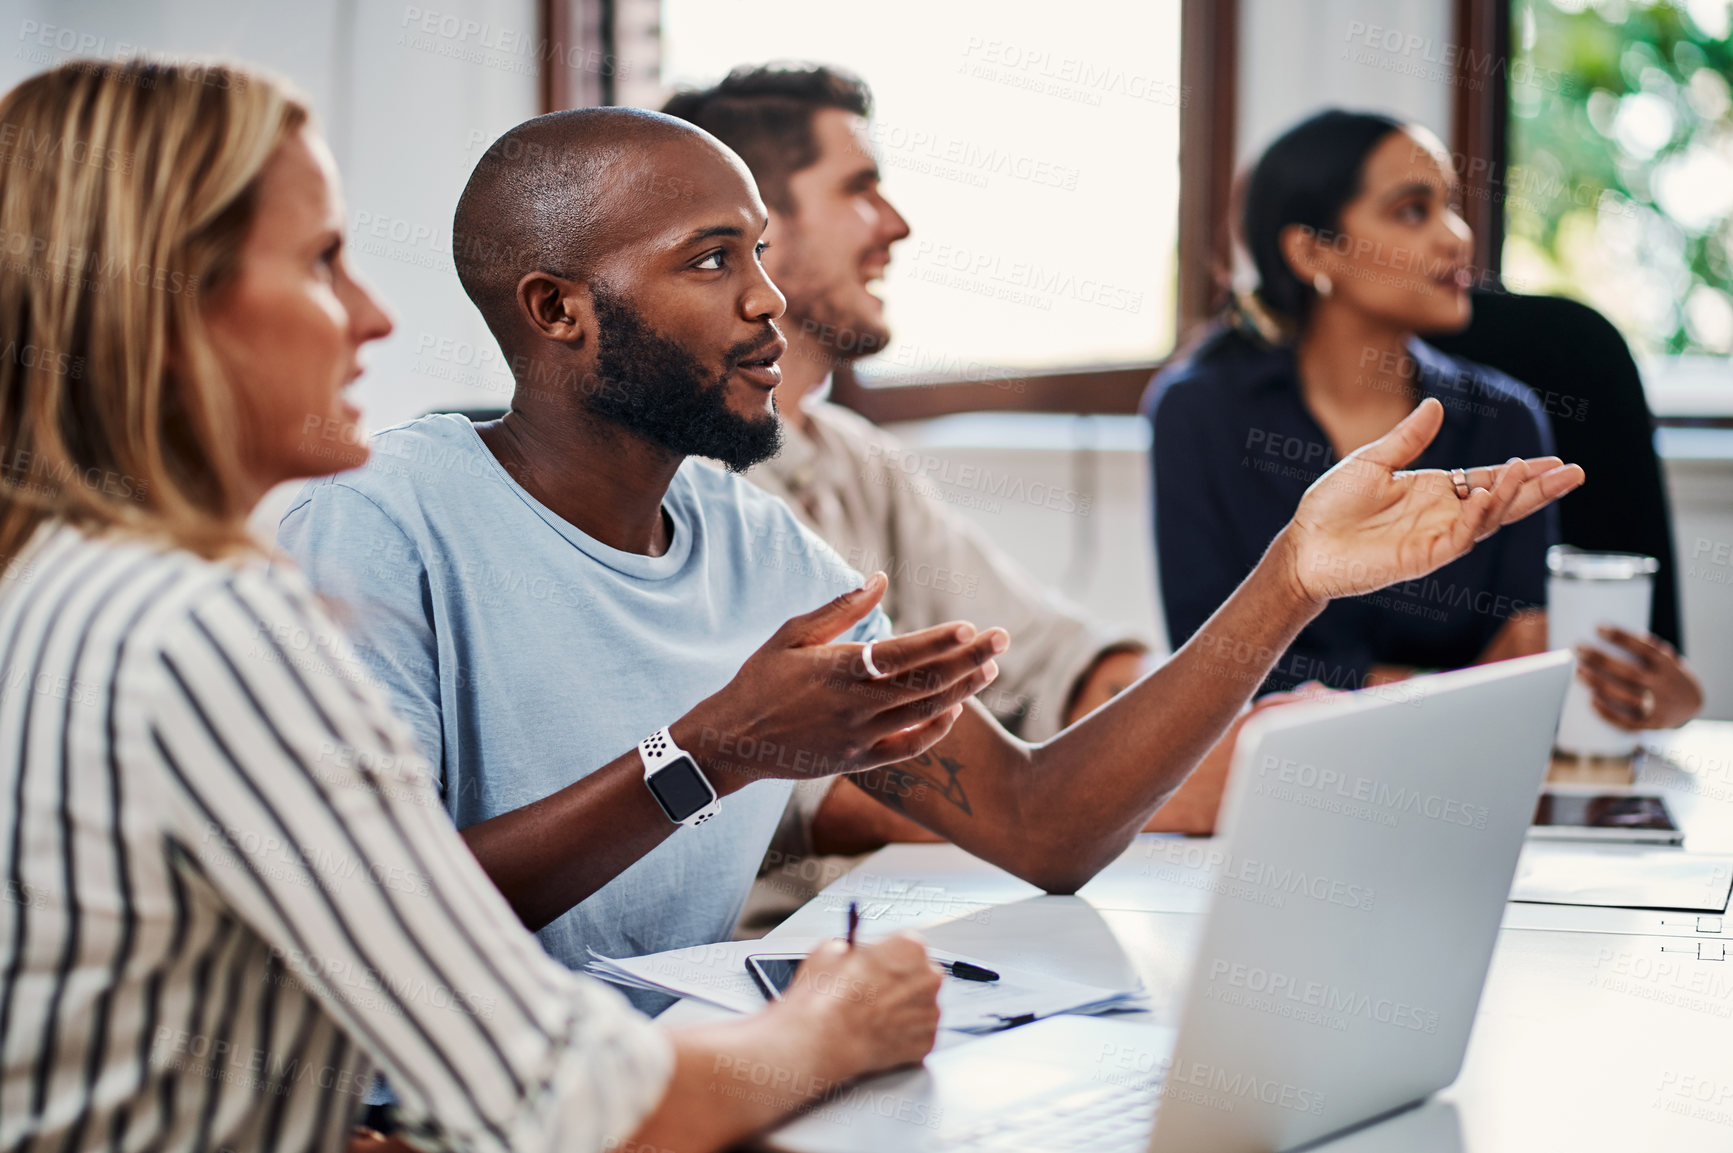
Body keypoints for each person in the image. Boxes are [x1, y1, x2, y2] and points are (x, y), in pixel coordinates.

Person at [277, 101, 1581, 1018]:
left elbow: (1043, 826)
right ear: (558, 310)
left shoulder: (753, 541)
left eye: (764, 256)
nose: (768, 302)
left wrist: (1293, 578)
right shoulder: (385, 519)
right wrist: (714, 754)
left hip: (667, 1078)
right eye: (712, 261)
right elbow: (376, 914)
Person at [0, 58, 945, 1153]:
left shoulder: (58, 584)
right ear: (167, 312)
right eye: (321, 264)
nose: (372, 317)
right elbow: (590, 1105)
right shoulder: (210, 632)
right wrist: (835, 1025)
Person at [660, 64, 1188, 911]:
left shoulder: (858, 459)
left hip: (913, 918)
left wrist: (1202, 722)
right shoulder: (675, 486)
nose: (896, 225)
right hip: (761, 967)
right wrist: (1173, 776)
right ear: (755, 228)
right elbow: (831, 797)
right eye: (860, 189)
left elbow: (1047, 656)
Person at [1144, 109, 1698, 728]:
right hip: (1279, 772)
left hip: (1471, 764)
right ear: (1311, 252)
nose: (1457, 236)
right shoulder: (1198, 414)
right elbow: (1211, 666)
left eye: (1451, 207)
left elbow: (1524, 654)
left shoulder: (1506, 417)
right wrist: (1449, 686)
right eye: (1412, 211)